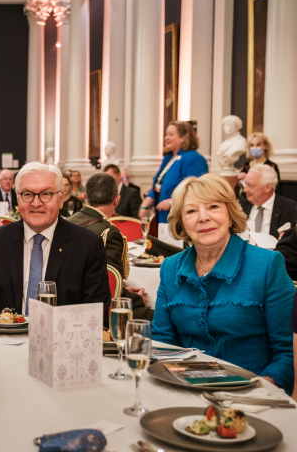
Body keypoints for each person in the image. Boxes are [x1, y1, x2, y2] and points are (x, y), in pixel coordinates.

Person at [152, 174, 294, 394]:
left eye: (213, 207)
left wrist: (263, 387)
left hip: (251, 394)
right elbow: (163, 343)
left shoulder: (267, 265)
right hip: (184, 389)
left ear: (230, 214)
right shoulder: (170, 268)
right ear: (181, 222)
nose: (203, 217)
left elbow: (287, 352)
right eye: (191, 211)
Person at [0, 163, 111, 320]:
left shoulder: (87, 246)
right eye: (27, 194)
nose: (36, 203)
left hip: (62, 340)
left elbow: (95, 316)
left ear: (61, 198)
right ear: (17, 198)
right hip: (4, 340)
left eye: (46, 194)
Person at [66, 173, 152, 320]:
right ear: (117, 200)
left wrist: (122, 289)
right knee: (161, 319)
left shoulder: (67, 222)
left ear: (85, 197)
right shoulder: (109, 233)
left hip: (68, 304)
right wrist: (134, 298)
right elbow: (108, 287)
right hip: (98, 313)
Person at [139, 121, 208, 224]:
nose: (166, 138)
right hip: (163, 217)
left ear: (183, 138)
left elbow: (196, 190)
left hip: (181, 219)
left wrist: (172, 202)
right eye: (166, 134)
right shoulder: (168, 158)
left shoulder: (194, 158)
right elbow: (158, 187)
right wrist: (144, 207)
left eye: (171, 134)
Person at [239, 164, 297, 239]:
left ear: (267, 187)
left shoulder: (290, 209)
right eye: (245, 185)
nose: (245, 190)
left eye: (250, 185)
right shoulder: (240, 206)